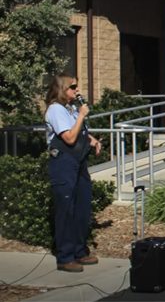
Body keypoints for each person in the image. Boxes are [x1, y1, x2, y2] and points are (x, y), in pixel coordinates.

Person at [44, 74, 102, 272]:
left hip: (79, 163)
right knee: (67, 210)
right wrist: (82, 116)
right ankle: (65, 256)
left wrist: (91, 139)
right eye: (73, 87)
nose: (77, 90)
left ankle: (79, 251)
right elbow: (68, 137)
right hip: (63, 163)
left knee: (82, 208)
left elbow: (77, 131)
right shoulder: (55, 110)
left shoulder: (69, 109)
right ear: (61, 89)